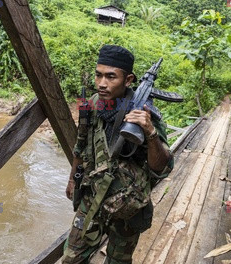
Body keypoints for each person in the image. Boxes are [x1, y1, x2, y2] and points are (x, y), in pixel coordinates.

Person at [62, 45, 173, 264]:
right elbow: (80, 145)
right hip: (92, 195)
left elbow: (163, 167)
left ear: (128, 79)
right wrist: (72, 179)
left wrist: (150, 133)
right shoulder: (92, 104)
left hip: (128, 206)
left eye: (111, 77)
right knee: (71, 257)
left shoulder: (144, 112)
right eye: (98, 75)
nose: (102, 83)